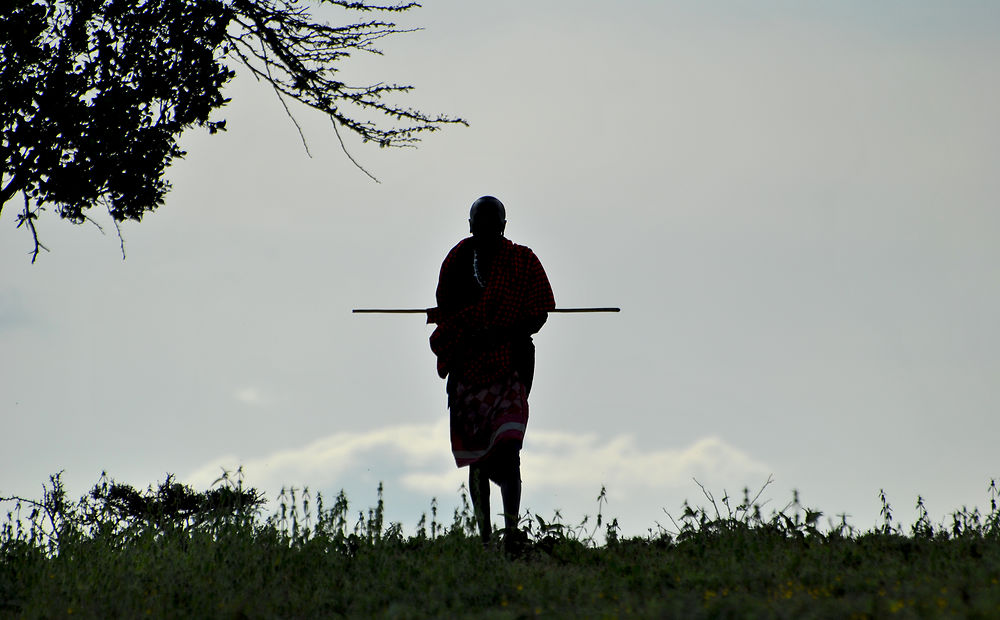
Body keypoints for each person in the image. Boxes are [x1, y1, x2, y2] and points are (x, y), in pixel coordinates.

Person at [427, 196, 555, 551]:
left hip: (509, 368)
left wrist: (504, 330)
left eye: (492, 226)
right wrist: (466, 326)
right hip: (468, 371)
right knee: (479, 458)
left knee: (509, 449)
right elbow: (448, 313)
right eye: (479, 226)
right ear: (470, 226)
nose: (485, 232)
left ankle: (511, 533)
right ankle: (485, 540)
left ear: (503, 226)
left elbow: (539, 313)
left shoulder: (522, 261)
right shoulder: (456, 262)